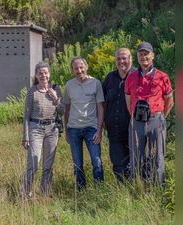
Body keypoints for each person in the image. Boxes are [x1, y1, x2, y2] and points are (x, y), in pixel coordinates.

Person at [125, 42, 174, 186]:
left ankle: (158, 189)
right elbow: (128, 101)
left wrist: (160, 116)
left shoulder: (162, 76)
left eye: (146, 54)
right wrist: (134, 116)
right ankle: (138, 189)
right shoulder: (131, 77)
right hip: (137, 121)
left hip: (156, 120)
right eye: (140, 54)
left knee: (157, 158)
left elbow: (170, 100)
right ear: (137, 57)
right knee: (136, 157)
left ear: (153, 56)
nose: (143, 57)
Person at [21, 61, 65, 198]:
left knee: (48, 165)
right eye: (40, 73)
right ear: (36, 75)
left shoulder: (56, 89)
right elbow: (27, 115)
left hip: (52, 130)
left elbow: (62, 111)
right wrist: (25, 136)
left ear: (49, 74)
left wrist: (56, 98)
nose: (43, 75)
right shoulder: (32, 91)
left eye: (45, 72)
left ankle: (44, 193)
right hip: (36, 129)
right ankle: (25, 194)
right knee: (33, 163)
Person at [63, 56, 105, 191]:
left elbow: (100, 107)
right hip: (74, 129)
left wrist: (99, 130)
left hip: (91, 129)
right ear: (72, 70)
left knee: (97, 161)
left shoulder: (96, 83)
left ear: (86, 67)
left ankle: (99, 190)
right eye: (76, 68)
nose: (79, 70)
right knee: (77, 164)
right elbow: (67, 109)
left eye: (81, 67)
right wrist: (66, 130)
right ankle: (81, 192)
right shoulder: (69, 85)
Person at [102, 48, 137, 182]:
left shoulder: (137, 76)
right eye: (118, 59)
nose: (121, 61)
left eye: (124, 58)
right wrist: (103, 119)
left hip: (133, 128)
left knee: (135, 162)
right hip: (114, 128)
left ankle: (134, 190)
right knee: (117, 164)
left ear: (131, 59)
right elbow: (103, 101)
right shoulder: (110, 78)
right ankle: (122, 192)